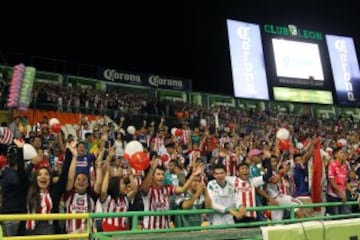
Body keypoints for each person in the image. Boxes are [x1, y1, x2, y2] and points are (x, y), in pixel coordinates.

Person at [140, 158, 204, 230]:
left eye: (163, 174)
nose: (161, 177)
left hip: (165, 230)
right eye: (158, 174)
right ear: (152, 176)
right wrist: (151, 169)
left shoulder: (167, 188)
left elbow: (183, 189)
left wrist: (193, 175)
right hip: (149, 230)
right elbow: (143, 188)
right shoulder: (148, 190)